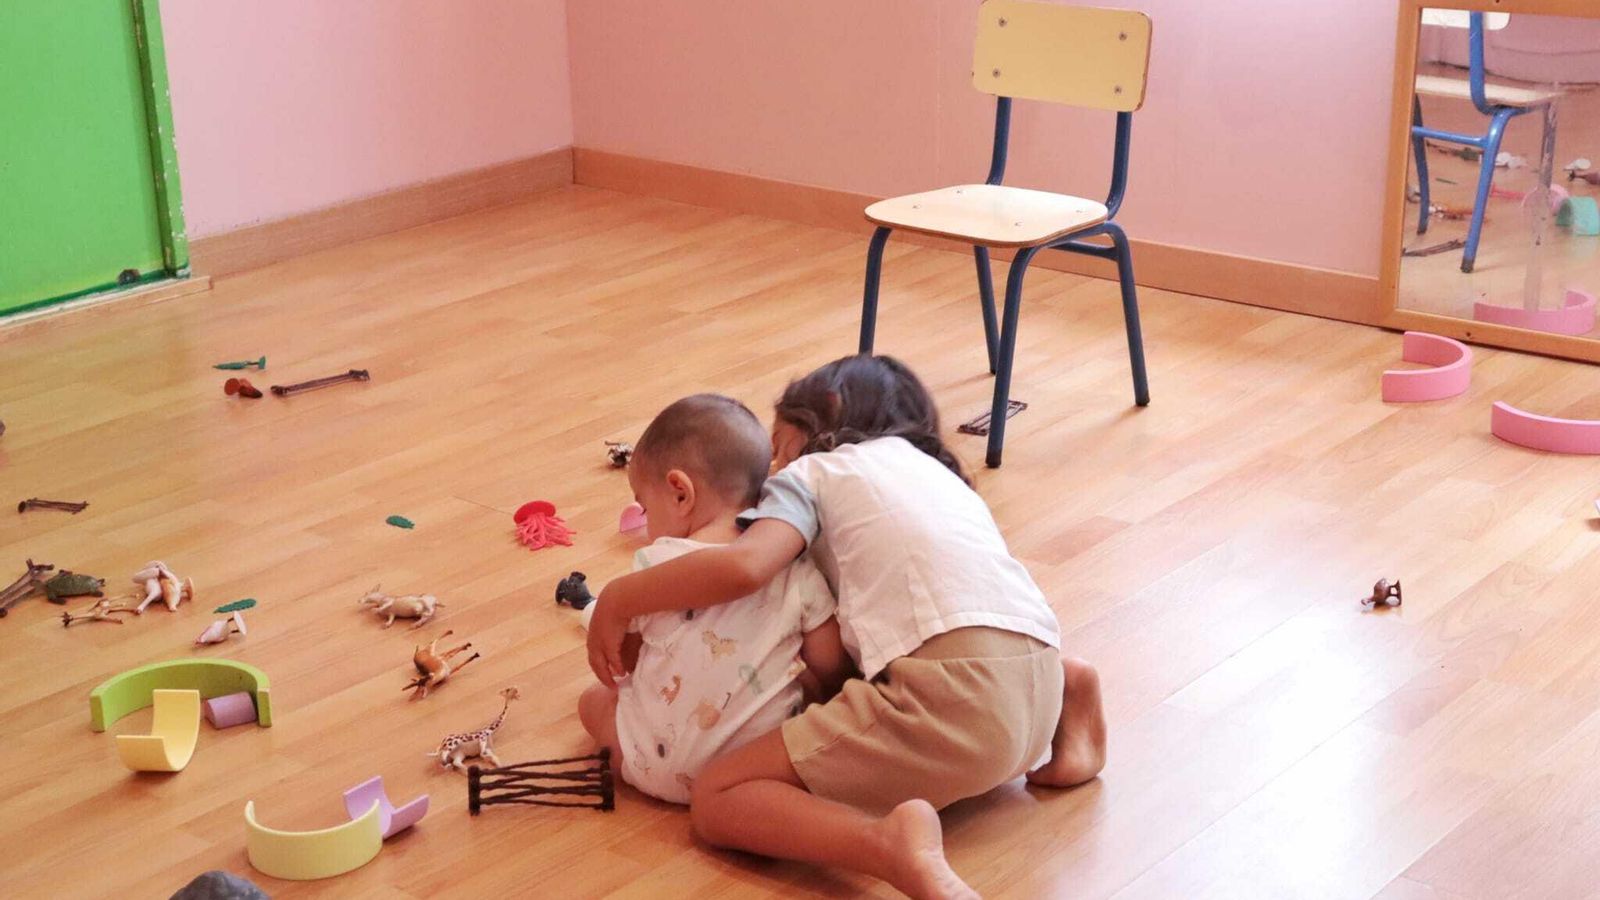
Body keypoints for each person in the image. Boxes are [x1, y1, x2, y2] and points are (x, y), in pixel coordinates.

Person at [587, 354, 1107, 900]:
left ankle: (886, 845)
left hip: (954, 704)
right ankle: (1072, 692)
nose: (767, 478)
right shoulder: (935, 474)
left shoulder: (811, 475)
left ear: (823, 423)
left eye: (779, 449)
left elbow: (746, 567)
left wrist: (620, 599)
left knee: (718, 796)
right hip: (1036, 677)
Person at [577, 393, 850, 804]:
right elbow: (830, 663)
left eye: (644, 507)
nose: (646, 523)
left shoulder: (655, 569)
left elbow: (626, 665)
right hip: (749, 773)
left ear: (680, 493)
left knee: (591, 702)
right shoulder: (797, 570)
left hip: (645, 763)